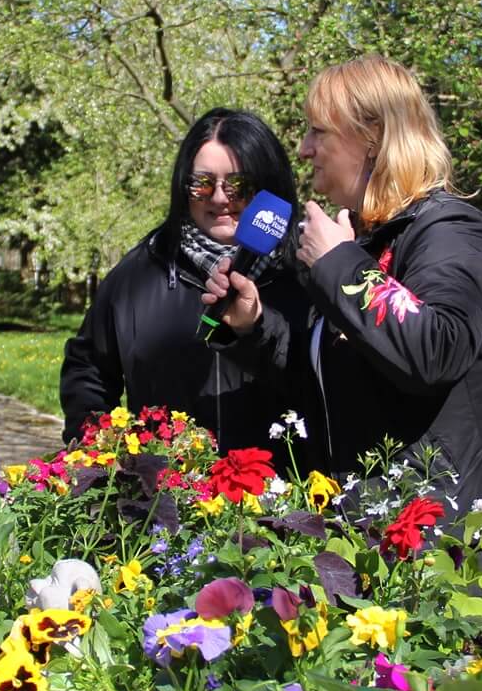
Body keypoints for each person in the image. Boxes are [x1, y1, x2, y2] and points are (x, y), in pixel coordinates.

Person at [202, 56, 482, 606]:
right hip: (390, 533)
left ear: (372, 137)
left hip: (470, 542)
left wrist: (340, 264)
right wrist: (253, 326)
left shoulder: (448, 230)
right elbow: (336, 379)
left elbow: (435, 349)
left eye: (317, 131)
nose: (302, 149)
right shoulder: (362, 244)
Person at [60, 108, 308, 452]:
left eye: (239, 185)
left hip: (284, 498)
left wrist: (256, 330)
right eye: (202, 184)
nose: (220, 198)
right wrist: (99, 452)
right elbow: (87, 370)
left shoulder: (307, 274)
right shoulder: (137, 275)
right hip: (162, 497)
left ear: (268, 187)